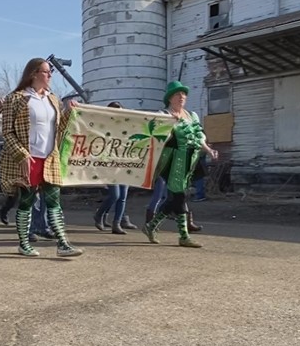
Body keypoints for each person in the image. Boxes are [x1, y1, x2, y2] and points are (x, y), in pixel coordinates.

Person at [0, 58, 83, 257]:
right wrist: (22, 155)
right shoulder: (16, 98)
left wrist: (69, 113)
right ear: (33, 74)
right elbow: (7, 133)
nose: (50, 75)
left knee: (54, 202)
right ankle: (24, 243)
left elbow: (60, 130)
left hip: (49, 158)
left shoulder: (52, 99)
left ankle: (63, 244)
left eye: (50, 71)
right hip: (28, 159)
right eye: (46, 71)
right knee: (26, 202)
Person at [143, 81, 218, 248]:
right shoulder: (164, 115)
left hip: (190, 160)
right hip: (172, 160)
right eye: (178, 94)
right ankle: (183, 236)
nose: (182, 97)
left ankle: (151, 226)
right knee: (179, 196)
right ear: (170, 98)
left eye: (184, 94)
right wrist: (170, 125)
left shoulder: (192, 115)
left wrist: (208, 150)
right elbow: (156, 138)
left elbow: (199, 137)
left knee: (173, 198)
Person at [93, 102, 139, 234]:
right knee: (115, 195)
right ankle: (99, 214)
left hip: (124, 164)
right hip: (110, 166)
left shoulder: (126, 127)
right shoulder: (103, 128)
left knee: (123, 196)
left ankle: (117, 223)